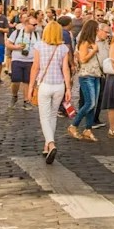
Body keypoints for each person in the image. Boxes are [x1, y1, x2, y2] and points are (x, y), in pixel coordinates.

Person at [27, 22, 70, 165]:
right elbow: (65, 69)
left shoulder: (39, 46)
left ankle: (51, 144)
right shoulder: (63, 48)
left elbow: (35, 67)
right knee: (52, 115)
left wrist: (30, 87)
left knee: (44, 117)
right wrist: (68, 88)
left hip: (44, 84)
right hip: (59, 86)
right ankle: (46, 146)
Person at [69, 22, 103, 142]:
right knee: (90, 103)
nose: (98, 31)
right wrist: (93, 51)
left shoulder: (93, 42)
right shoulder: (84, 43)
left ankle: (88, 129)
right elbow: (83, 59)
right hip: (86, 75)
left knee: (93, 105)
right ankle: (74, 125)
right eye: (97, 29)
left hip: (95, 74)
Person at [5, 15, 40, 108]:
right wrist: (16, 47)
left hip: (31, 61)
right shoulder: (17, 33)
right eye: (33, 24)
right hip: (17, 60)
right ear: (27, 24)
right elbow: (8, 44)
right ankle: (14, 96)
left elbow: (39, 48)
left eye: (36, 24)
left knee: (27, 81)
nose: (35, 26)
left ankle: (26, 100)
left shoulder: (36, 35)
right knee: (15, 81)